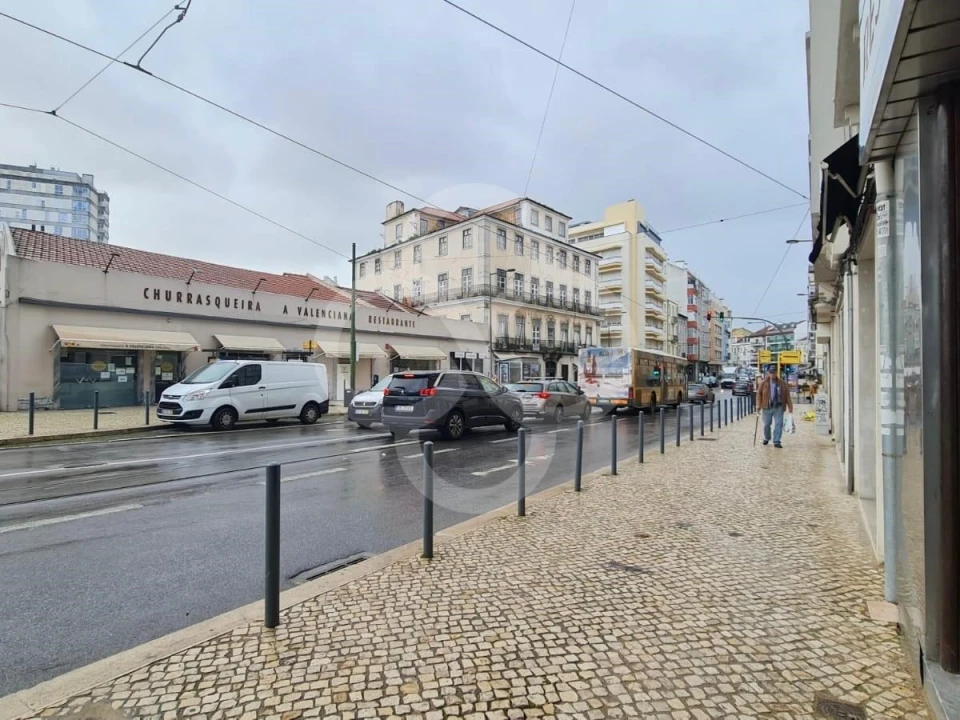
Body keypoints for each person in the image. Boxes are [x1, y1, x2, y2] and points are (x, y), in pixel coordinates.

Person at [757, 365, 793, 448]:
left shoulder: (782, 383)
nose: (772, 374)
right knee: (766, 424)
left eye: (773, 372)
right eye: (770, 372)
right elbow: (759, 394)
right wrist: (758, 405)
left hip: (779, 407)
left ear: (776, 373)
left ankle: (777, 441)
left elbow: (787, 396)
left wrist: (790, 408)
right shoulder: (763, 383)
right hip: (767, 406)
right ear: (768, 373)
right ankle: (767, 437)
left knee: (778, 424)